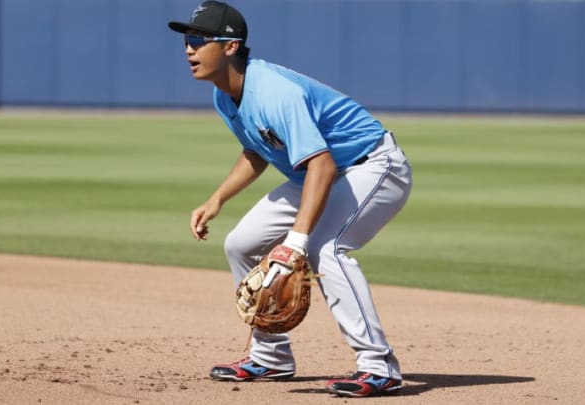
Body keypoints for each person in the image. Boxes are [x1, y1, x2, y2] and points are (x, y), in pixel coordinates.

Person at [168, 1, 413, 398]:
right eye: (186, 40)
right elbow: (260, 149)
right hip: (319, 172)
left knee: (325, 249)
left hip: (371, 165)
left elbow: (322, 163)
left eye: (198, 40)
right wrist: (217, 200)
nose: (188, 49)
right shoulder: (224, 94)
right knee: (240, 244)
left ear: (230, 47)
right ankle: (271, 358)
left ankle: (378, 366)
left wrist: (294, 243)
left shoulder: (275, 92)